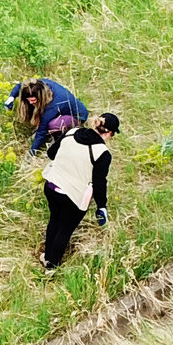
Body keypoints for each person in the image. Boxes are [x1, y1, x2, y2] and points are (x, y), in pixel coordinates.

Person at [41, 112, 118, 270]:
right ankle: (51, 266)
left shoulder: (71, 132)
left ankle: (47, 256)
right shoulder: (102, 153)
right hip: (72, 196)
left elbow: (51, 153)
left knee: (54, 220)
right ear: (109, 133)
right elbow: (99, 183)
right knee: (65, 229)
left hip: (51, 186)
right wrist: (101, 206)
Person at [6, 77, 87, 156]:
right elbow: (20, 86)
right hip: (61, 109)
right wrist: (11, 97)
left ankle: (58, 139)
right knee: (32, 108)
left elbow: (41, 131)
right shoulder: (38, 85)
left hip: (78, 117)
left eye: (33, 100)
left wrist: (32, 152)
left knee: (52, 125)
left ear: (41, 96)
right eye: (29, 99)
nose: (30, 102)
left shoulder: (52, 106)